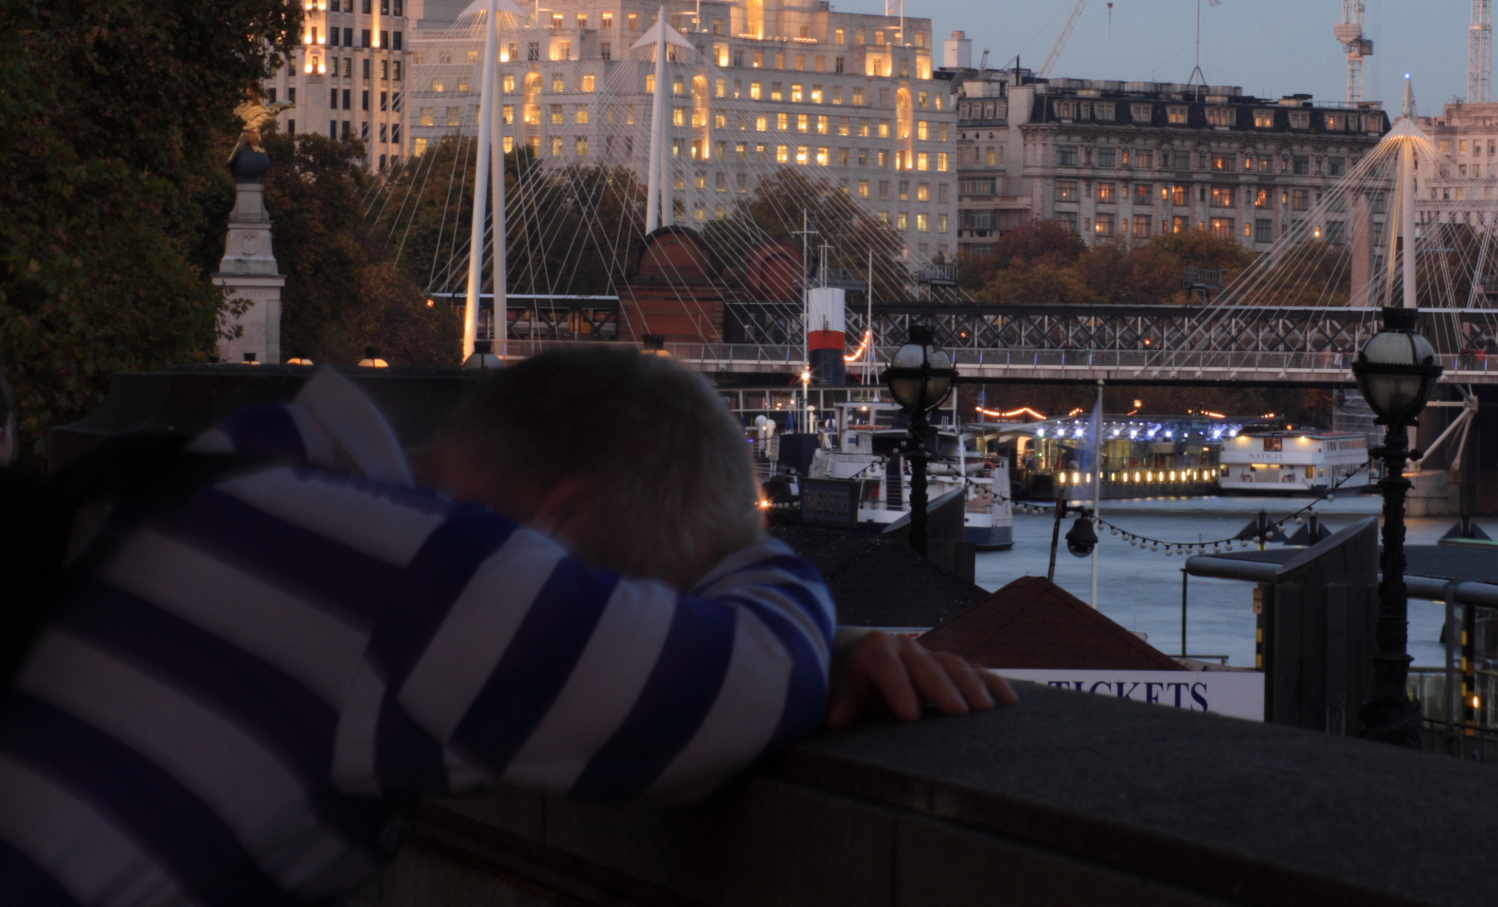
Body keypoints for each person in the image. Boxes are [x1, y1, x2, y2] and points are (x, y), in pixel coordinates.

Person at [0, 351, 1009, 904]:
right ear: (563, 520)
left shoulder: (248, 500)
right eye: (645, 595)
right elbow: (728, 688)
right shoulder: (415, 571)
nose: (636, 622)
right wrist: (768, 577)